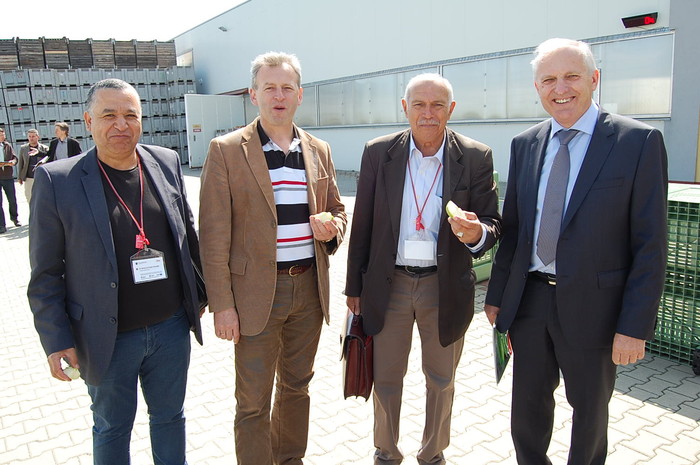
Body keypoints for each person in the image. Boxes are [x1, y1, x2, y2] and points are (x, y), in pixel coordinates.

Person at [484, 38, 668, 465]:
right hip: (530, 302)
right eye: (548, 79)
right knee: (526, 414)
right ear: (537, 87)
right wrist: (496, 296)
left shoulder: (637, 142)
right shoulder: (525, 143)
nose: (560, 88)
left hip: (596, 308)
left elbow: (650, 245)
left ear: (594, 79)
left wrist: (634, 326)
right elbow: (515, 230)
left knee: (589, 415)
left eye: (571, 76)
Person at [27, 78, 204, 465]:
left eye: (130, 115)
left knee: (170, 418)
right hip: (106, 337)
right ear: (88, 121)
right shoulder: (58, 180)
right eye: (109, 115)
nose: (121, 124)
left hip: (171, 330)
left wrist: (200, 298)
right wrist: (56, 339)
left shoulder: (165, 162)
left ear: (141, 119)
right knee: (111, 428)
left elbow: (187, 235)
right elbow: (45, 272)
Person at [198, 51, 347, 465]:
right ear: (253, 94)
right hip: (255, 296)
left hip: (309, 291)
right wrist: (223, 305)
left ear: (299, 94)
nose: (278, 96)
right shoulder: (227, 150)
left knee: (297, 388)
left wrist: (333, 227)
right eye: (269, 88)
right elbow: (212, 237)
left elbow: (338, 209)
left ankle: (289, 459)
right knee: (252, 402)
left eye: (286, 88)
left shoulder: (318, 149)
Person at [345, 73, 501, 465]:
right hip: (390, 283)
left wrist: (476, 233)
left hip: (443, 286)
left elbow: (492, 224)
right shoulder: (379, 152)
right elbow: (362, 223)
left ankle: (432, 454)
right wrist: (353, 288)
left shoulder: (476, 156)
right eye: (419, 104)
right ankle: (386, 452)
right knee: (386, 378)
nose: (427, 114)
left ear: (451, 109)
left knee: (442, 379)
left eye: (437, 105)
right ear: (405, 108)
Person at [16, 128, 49, 204]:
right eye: (29, 136)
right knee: (29, 197)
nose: (31, 138)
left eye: (33, 136)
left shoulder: (44, 148)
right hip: (29, 177)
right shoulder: (23, 148)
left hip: (40, 177)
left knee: (42, 197)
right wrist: (20, 177)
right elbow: (21, 163)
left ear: (38, 137)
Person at [0, 127, 20, 233]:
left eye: (3, 135)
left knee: (12, 200)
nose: (2, 136)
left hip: (8, 177)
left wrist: (13, 161)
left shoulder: (7, 146)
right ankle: (2, 225)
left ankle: (15, 218)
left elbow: (15, 158)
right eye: (0, 135)